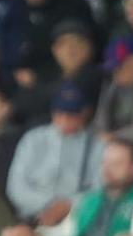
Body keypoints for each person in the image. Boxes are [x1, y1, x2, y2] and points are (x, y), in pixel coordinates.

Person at [7, 81, 104, 222]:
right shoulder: (33, 138)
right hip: (31, 215)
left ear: (84, 113)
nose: (64, 120)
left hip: (75, 218)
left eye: (71, 115)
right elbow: (15, 186)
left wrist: (68, 205)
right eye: (60, 113)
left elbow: (99, 189)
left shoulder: (96, 145)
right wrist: (47, 206)